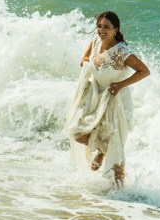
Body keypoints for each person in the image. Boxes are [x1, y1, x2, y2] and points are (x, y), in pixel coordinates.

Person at [64, 10, 150, 187]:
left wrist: (120, 85)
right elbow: (88, 53)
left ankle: (120, 193)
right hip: (95, 94)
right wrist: (86, 59)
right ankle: (102, 148)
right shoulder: (97, 40)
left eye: (106, 27)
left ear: (115, 29)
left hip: (115, 98)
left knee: (116, 146)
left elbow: (144, 71)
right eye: (99, 26)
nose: (101, 30)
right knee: (77, 131)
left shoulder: (122, 52)